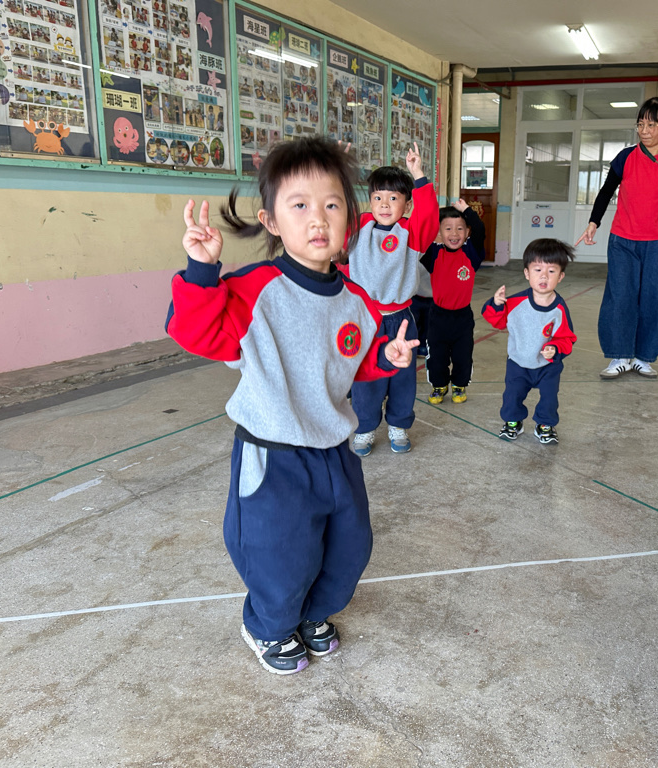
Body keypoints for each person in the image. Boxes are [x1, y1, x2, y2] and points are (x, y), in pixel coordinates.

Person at [165, 138, 417, 675]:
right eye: (299, 205)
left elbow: (355, 361)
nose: (318, 218)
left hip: (334, 452)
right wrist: (201, 271)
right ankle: (268, 625)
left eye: (332, 204)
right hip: (273, 454)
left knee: (348, 546)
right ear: (271, 221)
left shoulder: (357, 300)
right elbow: (194, 332)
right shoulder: (253, 290)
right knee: (279, 553)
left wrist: (387, 357)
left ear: (350, 218)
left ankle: (313, 613)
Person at [575, 96, 658, 380]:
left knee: (657, 300)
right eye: (640, 124)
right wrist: (594, 222)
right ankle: (619, 356)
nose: (644, 131)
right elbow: (606, 191)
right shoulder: (625, 157)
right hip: (623, 240)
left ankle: (644, 357)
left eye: (651, 125)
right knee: (620, 298)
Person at [344, 142, 438, 456]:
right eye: (378, 197)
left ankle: (399, 424)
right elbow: (336, 205)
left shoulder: (411, 234)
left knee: (402, 378)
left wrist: (418, 174)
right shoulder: (357, 228)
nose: (384, 204)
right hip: (365, 318)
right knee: (365, 379)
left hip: (400, 319)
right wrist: (341, 170)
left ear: (406, 205)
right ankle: (365, 428)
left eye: (393, 198)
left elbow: (429, 215)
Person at [482, 239, 577, 445]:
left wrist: (555, 348)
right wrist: (496, 304)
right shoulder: (515, 302)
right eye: (537, 269)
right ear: (527, 273)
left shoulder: (559, 309)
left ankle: (545, 425)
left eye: (551, 271)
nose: (544, 276)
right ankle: (513, 422)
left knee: (549, 398)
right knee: (512, 396)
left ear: (561, 276)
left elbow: (567, 338)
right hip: (518, 362)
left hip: (547, 366)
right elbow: (497, 321)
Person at [421, 199, 486, 404]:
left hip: (462, 317)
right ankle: (439, 386)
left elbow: (480, 230)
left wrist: (466, 210)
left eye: (460, 228)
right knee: (436, 356)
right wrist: (431, 213)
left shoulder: (471, 254)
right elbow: (422, 233)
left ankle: (459, 385)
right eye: (448, 228)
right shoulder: (434, 254)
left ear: (467, 232)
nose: (454, 233)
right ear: (439, 232)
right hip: (437, 316)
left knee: (463, 356)